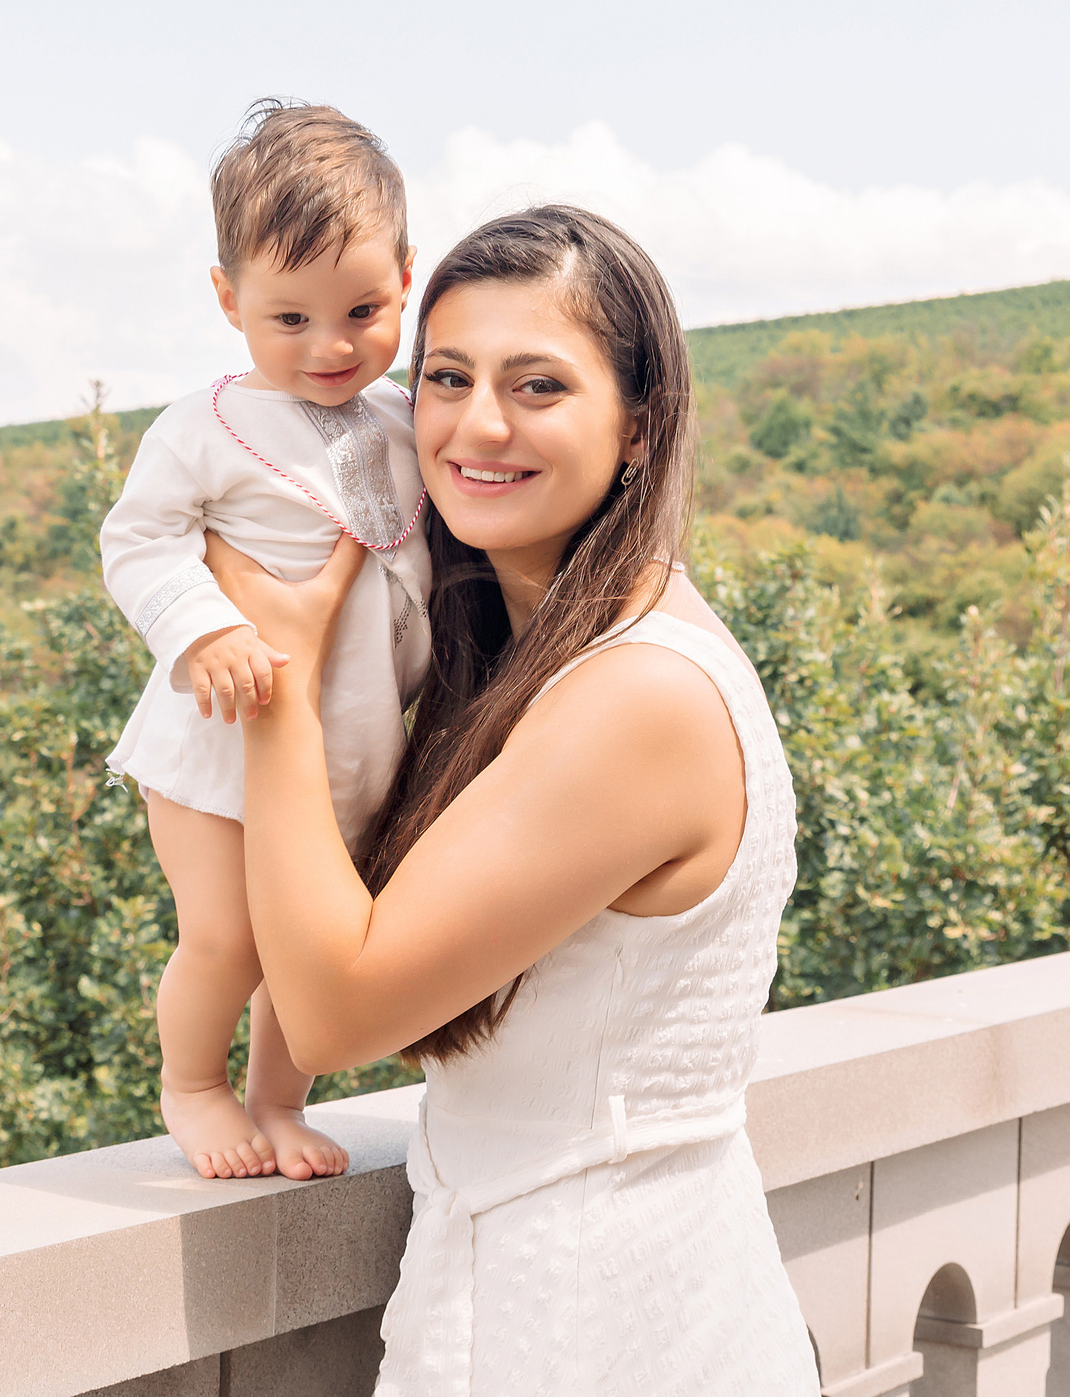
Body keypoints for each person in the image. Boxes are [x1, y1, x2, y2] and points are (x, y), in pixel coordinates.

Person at [203, 205, 820, 1393]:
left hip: (590, 1330)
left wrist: (278, 686)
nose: (478, 423)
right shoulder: (561, 656)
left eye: (537, 385)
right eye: (446, 378)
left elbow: (332, 1015)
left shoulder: (634, 696)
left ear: (637, 426)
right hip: (605, 1299)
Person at [99, 100, 434, 1182]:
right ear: (227, 298)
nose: (329, 346)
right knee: (228, 937)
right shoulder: (202, 427)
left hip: (351, 743)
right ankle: (192, 1084)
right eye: (289, 317)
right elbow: (138, 543)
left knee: (310, 937)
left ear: (406, 280)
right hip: (216, 741)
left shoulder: (403, 419)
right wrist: (201, 628)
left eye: (362, 310)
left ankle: (279, 1102)